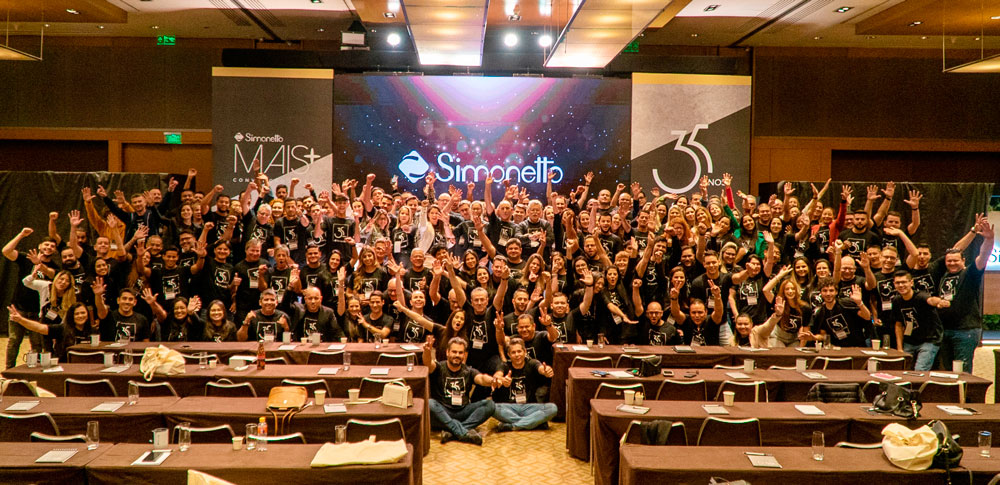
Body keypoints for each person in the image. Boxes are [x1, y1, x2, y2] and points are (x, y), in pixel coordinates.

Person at [933, 214, 993, 372]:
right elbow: (956, 248)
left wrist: (989, 239)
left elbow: (984, 256)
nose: (952, 263)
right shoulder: (942, 275)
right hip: (945, 330)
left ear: (963, 261)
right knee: (947, 371)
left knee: (962, 371)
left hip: (965, 331)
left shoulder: (970, 273)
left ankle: (964, 390)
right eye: (949, 261)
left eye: (956, 260)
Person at [424, 335, 498, 445]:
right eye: (454, 352)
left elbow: (482, 379)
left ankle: (452, 431)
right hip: (443, 413)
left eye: (460, 353)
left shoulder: (469, 371)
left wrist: (493, 380)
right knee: (430, 403)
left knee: (490, 405)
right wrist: (427, 352)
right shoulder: (439, 367)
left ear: (464, 355)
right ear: (447, 352)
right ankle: (463, 431)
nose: (457, 355)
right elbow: (428, 364)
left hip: (463, 412)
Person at [491, 338, 557, 432]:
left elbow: (541, 368)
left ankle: (513, 426)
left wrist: (546, 371)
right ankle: (533, 422)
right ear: (508, 354)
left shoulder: (532, 363)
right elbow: (497, 375)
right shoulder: (504, 365)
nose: (517, 355)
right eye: (513, 352)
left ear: (525, 352)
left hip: (529, 407)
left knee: (552, 408)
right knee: (491, 408)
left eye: (519, 351)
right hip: (509, 407)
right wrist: (501, 380)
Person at [891, 270, 945, 371]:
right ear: (894, 284)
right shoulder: (896, 301)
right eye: (898, 283)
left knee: (920, 369)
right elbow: (898, 325)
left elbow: (931, 300)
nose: (901, 285)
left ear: (911, 283)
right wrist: (899, 348)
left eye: (904, 282)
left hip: (929, 340)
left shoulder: (920, 296)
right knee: (902, 368)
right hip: (910, 340)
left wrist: (939, 301)